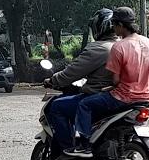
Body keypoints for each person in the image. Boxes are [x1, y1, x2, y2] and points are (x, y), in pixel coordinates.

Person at [66, 6, 149, 157]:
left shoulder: (119, 47)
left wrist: (107, 88)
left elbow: (115, 81)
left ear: (121, 25)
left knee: (85, 104)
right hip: (145, 99)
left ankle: (84, 145)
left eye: (114, 25)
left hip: (123, 98)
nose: (114, 29)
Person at [44, 9, 117, 151]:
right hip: (124, 96)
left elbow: (72, 72)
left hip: (100, 96)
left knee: (56, 107)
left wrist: (53, 80)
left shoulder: (98, 48)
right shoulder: (125, 45)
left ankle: (68, 150)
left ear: (99, 27)